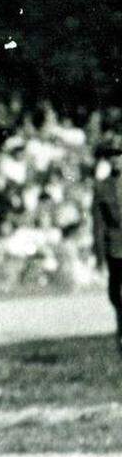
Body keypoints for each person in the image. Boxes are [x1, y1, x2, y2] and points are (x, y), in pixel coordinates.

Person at [92, 141, 122, 357]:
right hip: (116, 247)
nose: (116, 159)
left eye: (119, 154)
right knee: (115, 295)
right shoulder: (102, 186)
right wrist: (100, 256)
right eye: (112, 155)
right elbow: (98, 224)